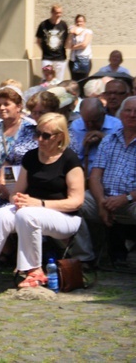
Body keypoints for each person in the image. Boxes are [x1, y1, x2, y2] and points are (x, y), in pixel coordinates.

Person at [0, 113, 85, 292]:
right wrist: (16, 199)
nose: (39, 139)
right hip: (31, 212)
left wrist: (38, 203)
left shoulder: (70, 160)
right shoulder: (31, 157)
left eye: (46, 135)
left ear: (59, 137)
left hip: (65, 217)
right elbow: (16, 192)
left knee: (27, 214)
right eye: (37, 133)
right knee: (1, 215)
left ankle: (34, 271)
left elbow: (76, 202)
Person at [82, 97, 136, 265]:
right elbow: (96, 176)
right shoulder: (109, 140)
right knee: (75, 202)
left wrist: (126, 197)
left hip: (132, 201)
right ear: (121, 114)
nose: (132, 115)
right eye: (128, 110)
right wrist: (100, 202)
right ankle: (84, 257)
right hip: (104, 199)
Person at [0, 87, 35, 206]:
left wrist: (8, 184)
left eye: (6, 104)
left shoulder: (29, 129)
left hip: (22, 187)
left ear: (19, 106)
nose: (1, 108)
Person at [69, 98, 122, 175]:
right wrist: (83, 146)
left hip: (109, 175)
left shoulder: (116, 126)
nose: (90, 125)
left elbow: (121, 157)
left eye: (94, 121)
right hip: (83, 175)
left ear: (103, 114)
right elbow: (72, 159)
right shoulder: (76, 126)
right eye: (86, 122)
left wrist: (104, 138)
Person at [36, 4, 69, 82]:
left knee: (59, 80)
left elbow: (66, 40)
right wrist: (45, 50)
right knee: (46, 79)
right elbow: (38, 41)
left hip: (60, 58)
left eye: (60, 13)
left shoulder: (63, 25)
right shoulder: (43, 24)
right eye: (57, 13)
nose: (59, 15)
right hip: (47, 58)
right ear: (52, 12)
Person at [65, 14, 93, 81]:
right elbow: (67, 46)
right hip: (73, 60)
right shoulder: (73, 33)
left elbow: (84, 45)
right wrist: (71, 33)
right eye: (77, 21)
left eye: (81, 21)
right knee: (74, 81)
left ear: (84, 22)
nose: (79, 23)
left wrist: (73, 47)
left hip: (84, 60)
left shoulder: (88, 32)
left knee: (83, 80)